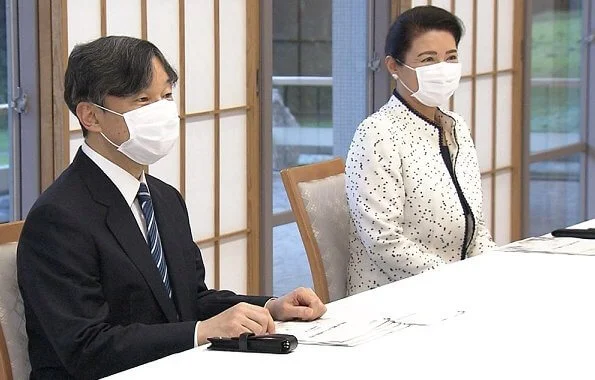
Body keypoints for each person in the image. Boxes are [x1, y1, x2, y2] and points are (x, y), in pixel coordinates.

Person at [17, 36, 326, 379]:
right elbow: (87, 347)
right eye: (142, 100)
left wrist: (270, 307)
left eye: (166, 97)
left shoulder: (163, 198)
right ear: (91, 115)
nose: (162, 112)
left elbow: (190, 300)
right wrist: (202, 331)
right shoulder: (58, 217)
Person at [345, 6, 495, 295]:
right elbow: (383, 240)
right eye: (428, 60)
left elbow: (474, 227)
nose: (443, 68)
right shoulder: (376, 134)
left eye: (451, 58)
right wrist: (458, 280)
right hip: (396, 300)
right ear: (393, 66)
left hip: (458, 289)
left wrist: (494, 268)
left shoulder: (456, 127)